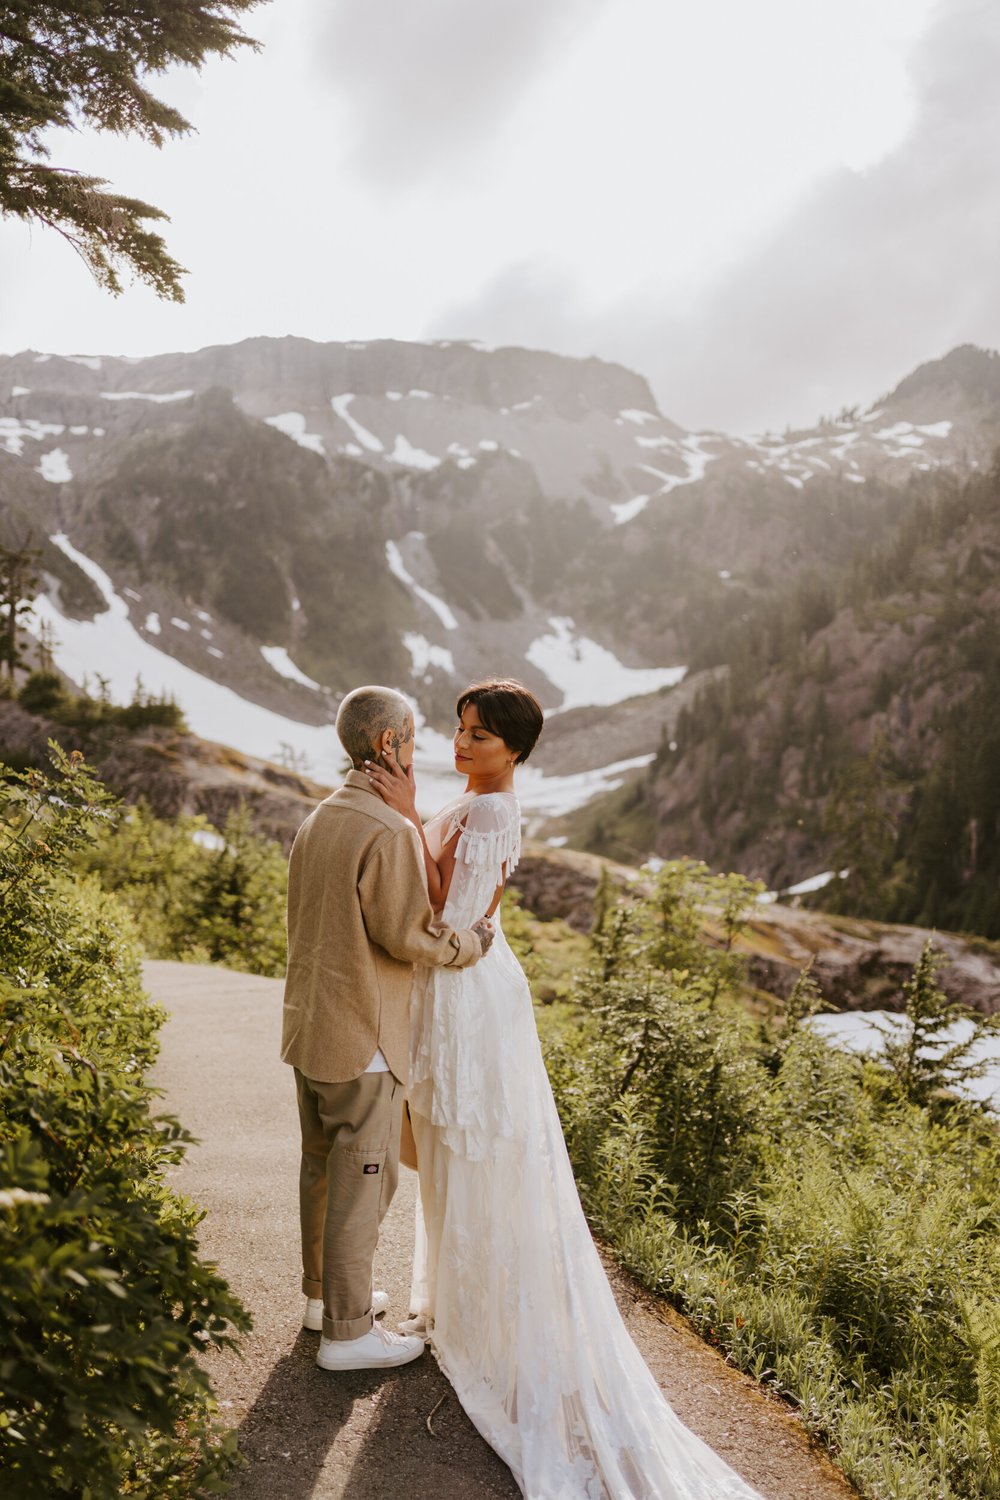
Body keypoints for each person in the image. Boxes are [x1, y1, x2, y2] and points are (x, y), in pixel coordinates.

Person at [364, 678, 766, 1498]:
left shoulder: (490, 811)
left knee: (463, 1145)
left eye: (480, 735)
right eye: (459, 728)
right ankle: (457, 1304)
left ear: (515, 749)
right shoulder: (477, 802)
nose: (462, 743)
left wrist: (405, 814)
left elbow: (450, 913)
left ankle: (478, 1319)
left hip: (470, 995)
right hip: (461, 989)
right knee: (444, 1144)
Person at [280, 685, 494, 1373]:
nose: (421, 747)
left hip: (311, 1030)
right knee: (363, 1182)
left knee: (322, 1169)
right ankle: (347, 1335)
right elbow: (409, 934)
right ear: (387, 745)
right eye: (412, 736)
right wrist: (472, 944)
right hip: (362, 1038)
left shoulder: (324, 817)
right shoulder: (386, 829)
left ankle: (325, 1300)